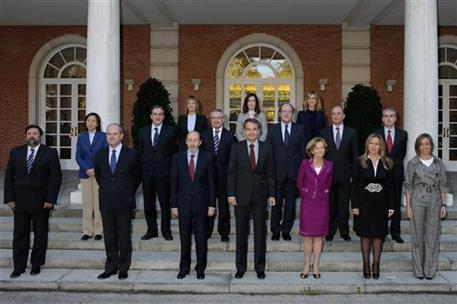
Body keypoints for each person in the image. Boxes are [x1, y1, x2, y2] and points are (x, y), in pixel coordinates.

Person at [4, 125, 62, 278]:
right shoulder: (16, 152)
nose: (32, 136)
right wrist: (9, 198)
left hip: (41, 201)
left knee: (40, 234)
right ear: (25, 136)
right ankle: (19, 266)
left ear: (40, 136)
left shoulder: (50, 153)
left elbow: (55, 178)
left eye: (35, 133)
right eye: (29, 133)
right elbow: (9, 176)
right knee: (19, 235)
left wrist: (50, 199)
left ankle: (36, 265)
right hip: (20, 201)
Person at [227, 118, 276, 280]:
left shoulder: (267, 148)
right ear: (243, 131)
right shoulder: (236, 148)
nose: (251, 132)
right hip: (241, 196)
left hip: (260, 196)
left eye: (254, 129)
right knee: (241, 233)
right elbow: (232, 173)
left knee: (260, 233)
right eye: (248, 129)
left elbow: (270, 174)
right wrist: (231, 193)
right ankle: (240, 267)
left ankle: (259, 267)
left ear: (259, 131)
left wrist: (272, 194)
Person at [94, 123, 142, 280]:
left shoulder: (132, 154)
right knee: (109, 235)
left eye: (115, 134)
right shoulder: (100, 155)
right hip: (106, 201)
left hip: (124, 201)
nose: (111, 136)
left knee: (124, 236)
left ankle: (123, 267)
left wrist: (126, 192)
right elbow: (100, 177)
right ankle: (110, 266)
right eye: (109, 134)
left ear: (122, 136)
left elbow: (136, 177)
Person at [171, 131, 216, 280]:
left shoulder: (208, 157)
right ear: (186, 141)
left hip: (202, 204)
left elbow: (211, 183)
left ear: (200, 142)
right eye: (190, 140)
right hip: (183, 204)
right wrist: (174, 205)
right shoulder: (177, 158)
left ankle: (200, 268)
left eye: (195, 140)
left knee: (201, 238)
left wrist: (211, 205)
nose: (192, 143)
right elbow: (174, 184)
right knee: (184, 238)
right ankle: (184, 268)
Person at [404, 133, 448, 280]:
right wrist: (408, 206)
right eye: (421, 144)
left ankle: (430, 270)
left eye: (427, 144)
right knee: (417, 235)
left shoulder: (438, 163)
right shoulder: (412, 163)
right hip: (417, 199)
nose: (424, 147)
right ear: (417, 146)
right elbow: (408, 186)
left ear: (431, 145)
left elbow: (443, 184)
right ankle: (418, 270)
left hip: (435, 199)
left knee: (432, 236)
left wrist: (443, 204)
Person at [352, 134, 395, 280]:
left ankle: (376, 264)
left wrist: (391, 206)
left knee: (378, 235)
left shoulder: (387, 163)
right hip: (364, 204)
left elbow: (391, 187)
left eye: (377, 144)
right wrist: (355, 205)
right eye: (371, 143)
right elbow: (354, 185)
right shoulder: (360, 162)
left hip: (381, 204)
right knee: (365, 234)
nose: (374, 146)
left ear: (381, 146)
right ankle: (365, 264)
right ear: (367, 145)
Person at [138, 105, 178, 241]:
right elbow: (141, 152)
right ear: (151, 116)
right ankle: (151, 230)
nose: (157, 117)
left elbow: (174, 153)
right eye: (155, 114)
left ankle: (166, 230)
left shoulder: (171, 131)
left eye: (160, 114)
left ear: (164, 116)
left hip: (164, 173)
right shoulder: (143, 131)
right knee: (148, 203)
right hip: (147, 173)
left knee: (165, 203)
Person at [319, 105, 359, 241]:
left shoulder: (352, 133)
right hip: (328, 176)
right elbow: (320, 155)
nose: (336, 116)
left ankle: (344, 231)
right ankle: (330, 231)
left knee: (343, 206)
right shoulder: (323, 133)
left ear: (343, 116)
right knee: (330, 205)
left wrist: (355, 174)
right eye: (333, 113)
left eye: (339, 113)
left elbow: (355, 156)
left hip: (345, 175)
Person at [296, 137, 333, 279]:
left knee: (318, 237)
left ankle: (316, 265)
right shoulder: (305, 164)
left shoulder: (330, 165)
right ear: (312, 150)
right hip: (308, 203)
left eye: (322, 147)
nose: (320, 150)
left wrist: (324, 193)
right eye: (317, 148)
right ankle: (306, 265)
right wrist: (305, 192)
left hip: (322, 204)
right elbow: (299, 182)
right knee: (307, 237)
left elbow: (328, 184)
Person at [268, 103, 306, 241]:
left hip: (293, 174)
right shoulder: (273, 130)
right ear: (279, 113)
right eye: (284, 111)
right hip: (277, 173)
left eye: (289, 111)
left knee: (290, 204)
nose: (286, 114)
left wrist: (303, 174)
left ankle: (286, 230)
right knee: (276, 203)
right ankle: (275, 230)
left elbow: (303, 153)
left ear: (292, 114)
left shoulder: (300, 129)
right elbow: (270, 153)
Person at [201, 109, 236, 242]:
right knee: (208, 203)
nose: (216, 120)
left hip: (224, 176)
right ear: (211, 119)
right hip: (207, 176)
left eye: (219, 118)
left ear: (223, 119)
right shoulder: (204, 135)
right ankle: (207, 230)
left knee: (223, 205)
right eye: (213, 118)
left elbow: (233, 159)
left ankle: (224, 231)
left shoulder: (230, 136)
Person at [373, 107, 408, 244]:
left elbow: (401, 154)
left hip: (397, 173)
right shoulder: (376, 133)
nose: (388, 118)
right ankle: (380, 232)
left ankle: (395, 232)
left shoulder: (403, 134)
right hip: (380, 174)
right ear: (382, 119)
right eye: (386, 116)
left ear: (395, 118)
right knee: (380, 203)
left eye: (391, 116)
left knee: (396, 204)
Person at [76, 112, 108, 241]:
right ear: (85, 123)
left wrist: (96, 169)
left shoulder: (103, 136)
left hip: (99, 173)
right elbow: (78, 156)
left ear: (98, 123)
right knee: (87, 203)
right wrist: (87, 168)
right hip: (85, 173)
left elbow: (105, 154)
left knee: (99, 202)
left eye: (93, 121)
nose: (90, 123)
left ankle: (98, 230)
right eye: (88, 120)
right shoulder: (81, 137)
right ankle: (87, 230)